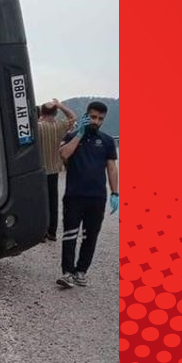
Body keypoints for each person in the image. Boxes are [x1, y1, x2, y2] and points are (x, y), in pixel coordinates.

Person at [56, 101, 118, 288]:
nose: (96, 121)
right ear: (86, 116)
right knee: (70, 235)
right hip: (74, 195)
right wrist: (80, 134)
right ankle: (67, 273)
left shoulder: (107, 141)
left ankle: (81, 271)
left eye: (100, 119)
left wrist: (115, 192)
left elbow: (112, 168)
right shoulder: (71, 136)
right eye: (93, 117)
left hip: (97, 197)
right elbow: (64, 155)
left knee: (90, 236)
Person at [37, 98, 76, 242]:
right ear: (55, 112)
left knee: (41, 202)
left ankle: (41, 233)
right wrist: (60, 105)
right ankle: (52, 232)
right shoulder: (60, 126)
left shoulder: (37, 127)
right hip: (54, 169)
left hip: (40, 170)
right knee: (53, 202)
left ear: (42, 112)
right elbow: (73, 117)